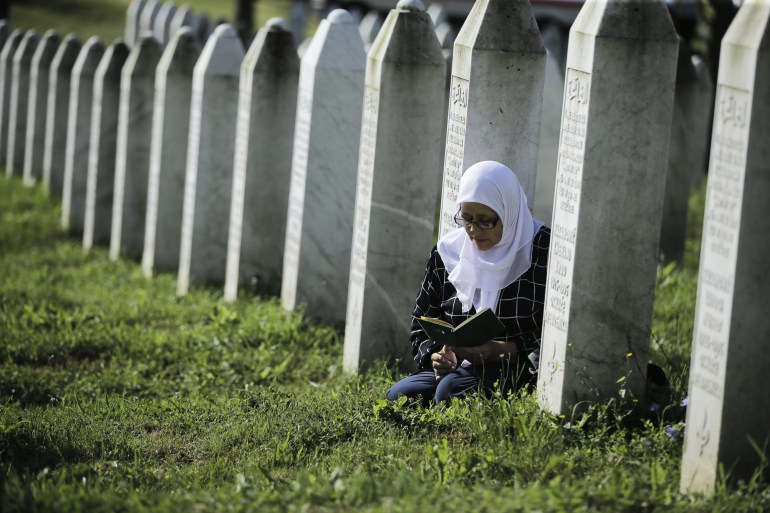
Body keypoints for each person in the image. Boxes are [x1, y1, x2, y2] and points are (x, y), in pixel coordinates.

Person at [386, 160, 550, 404]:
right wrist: (437, 356)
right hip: (458, 367)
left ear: (509, 212)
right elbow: (421, 320)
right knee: (399, 395)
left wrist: (499, 350)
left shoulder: (540, 251)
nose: (473, 230)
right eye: (466, 218)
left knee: (449, 391)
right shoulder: (448, 253)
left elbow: (553, 335)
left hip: (517, 367)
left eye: (486, 221)